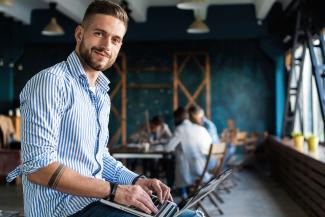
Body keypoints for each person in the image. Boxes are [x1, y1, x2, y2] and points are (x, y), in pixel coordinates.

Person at [6, 2, 200, 217]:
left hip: (95, 202)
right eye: (99, 33)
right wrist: (115, 191)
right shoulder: (51, 82)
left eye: (115, 40)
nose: (107, 45)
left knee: (189, 215)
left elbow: (99, 158)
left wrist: (137, 180)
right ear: (80, 34)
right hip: (61, 211)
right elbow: (38, 169)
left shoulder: (101, 94)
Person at [165, 107, 212, 198]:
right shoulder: (199, 128)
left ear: (177, 118)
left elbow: (167, 148)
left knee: (169, 163)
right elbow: (208, 145)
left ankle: (179, 192)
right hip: (202, 167)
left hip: (189, 170)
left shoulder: (180, 129)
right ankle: (184, 192)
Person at [188, 105, 219, 170]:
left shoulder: (205, 127)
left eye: (190, 117)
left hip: (208, 161)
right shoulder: (208, 124)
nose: (189, 119)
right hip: (212, 159)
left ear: (194, 115)